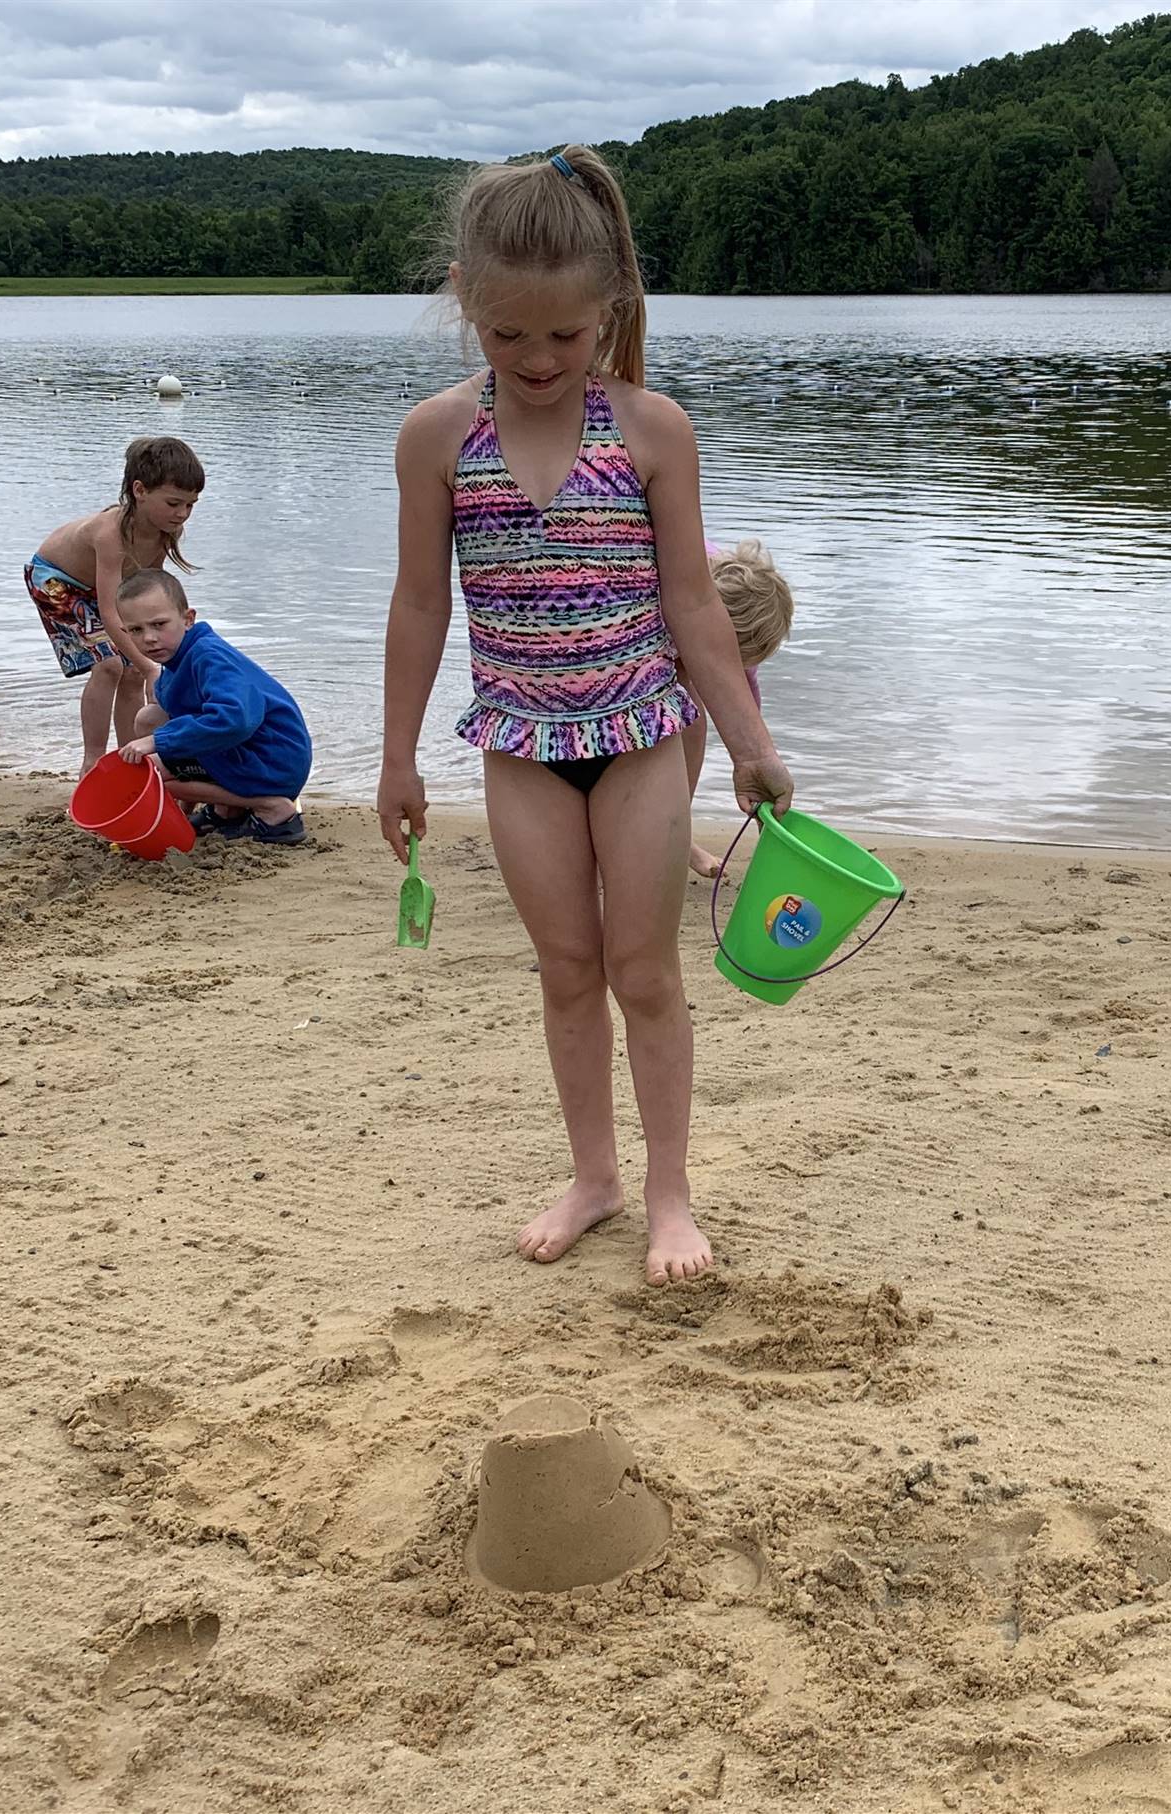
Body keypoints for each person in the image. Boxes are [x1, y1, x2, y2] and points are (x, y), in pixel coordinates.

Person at [376, 144, 794, 1288]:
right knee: (567, 968)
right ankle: (594, 1174)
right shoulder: (436, 439)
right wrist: (397, 758)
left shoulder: (653, 430)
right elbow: (419, 605)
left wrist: (751, 745)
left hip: (643, 742)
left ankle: (669, 1193)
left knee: (643, 968)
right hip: (519, 744)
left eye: (565, 334)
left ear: (607, 303)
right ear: (465, 298)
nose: (540, 358)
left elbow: (695, 605)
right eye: (509, 336)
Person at [27, 437, 204, 775]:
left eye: (190, 505)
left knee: (134, 669)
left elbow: (150, 590)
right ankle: (92, 760)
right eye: (173, 503)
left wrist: (169, 641)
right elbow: (110, 612)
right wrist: (154, 668)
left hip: (105, 587)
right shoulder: (110, 534)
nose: (182, 514)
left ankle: (130, 758)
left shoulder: (169, 529)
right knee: (109, 664)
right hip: (54, 581)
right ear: (140, 490)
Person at [116, 570, 311, 845]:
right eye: (137, 630)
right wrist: (186, 805)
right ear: (125, 632)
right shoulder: (175, 661)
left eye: (159, 624)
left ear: (188, 619)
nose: (149, 638)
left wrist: (158, 741)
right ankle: (226, 810)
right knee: (150, 717)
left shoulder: (210, 657)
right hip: (247, 752)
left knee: (154, 772)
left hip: (274, 762)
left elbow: (235, 720)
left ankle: (273, 808)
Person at [684, 538, 797, 878]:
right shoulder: (680, 581)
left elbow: (746, 701)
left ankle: (675, 830)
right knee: (685, 717)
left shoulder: (744, 621)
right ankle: (667, 832)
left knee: (691, 718)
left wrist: (754, 759)